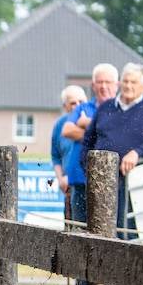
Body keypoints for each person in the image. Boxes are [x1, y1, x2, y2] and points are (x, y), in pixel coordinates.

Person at [82, 62, 143, 239]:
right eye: (126, 81)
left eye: (134, 82)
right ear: (120, 82)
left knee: (126, 234)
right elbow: (88, 141)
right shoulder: (105, 107)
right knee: (97, 234)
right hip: (100, 183)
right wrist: (88, 169)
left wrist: (138, 152)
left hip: (131, 184)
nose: (128, 86)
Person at [62, 64, 119, 232]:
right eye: (99, 82)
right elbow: (67, 130)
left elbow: (118, 136)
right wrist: (99, 132)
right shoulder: (83, 108)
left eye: (108, 82)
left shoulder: (121, 109)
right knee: (79, 230)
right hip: (80, 180)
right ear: (93, 85)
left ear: (117, 85)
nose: (103, 86)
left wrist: (87, 124)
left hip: (110, 183)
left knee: (107, 233)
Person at [51, 85, 88, 226]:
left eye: (81, 102)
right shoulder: (60, 125)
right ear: (65, 106)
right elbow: (55, 156)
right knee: (71, 230)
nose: (77, 106)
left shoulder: (92, 121)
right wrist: (60, 178)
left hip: (87, 183)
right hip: (68, 187)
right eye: (73, 103)